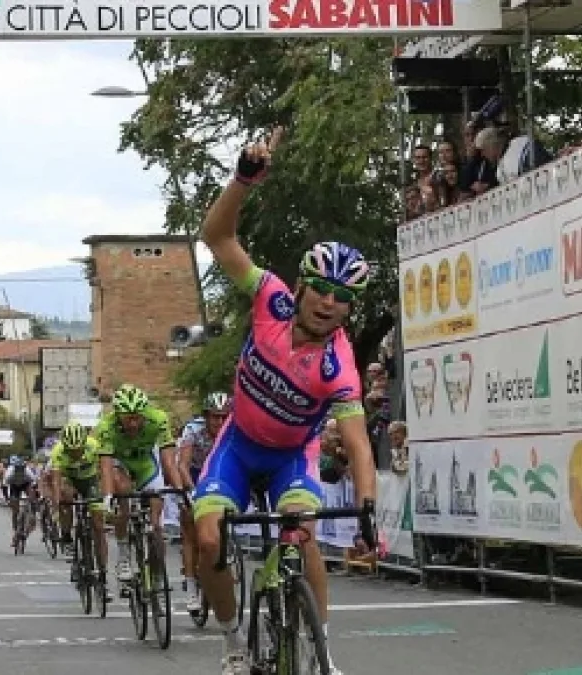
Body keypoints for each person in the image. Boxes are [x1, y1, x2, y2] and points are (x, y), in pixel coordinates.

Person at [193, 127, 378, 675]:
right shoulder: (270, 298)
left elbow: (358, 444)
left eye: (343, 297)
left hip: (292, 457)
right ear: (300, 286)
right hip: (238, 445)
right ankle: (233, 642)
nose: (328, 303)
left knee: (303, 533)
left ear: (350, 308)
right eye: (321, 288)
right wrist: (243, 180)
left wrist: (368, 511)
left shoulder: (339, 363)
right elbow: (216, 237)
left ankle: (321, 650)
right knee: (209, 540)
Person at [93, 383, 176, 592]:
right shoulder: (106, 426)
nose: (133, 423)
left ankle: (157, 574)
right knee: (122, 496)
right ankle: (123, 555)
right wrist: (108, 496)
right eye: (127, 418)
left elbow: (168, 461)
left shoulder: (158, 419)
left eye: (137, 417)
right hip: (120, 465)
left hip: (146, 465)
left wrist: (181, 490)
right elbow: (106, 466)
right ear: (117, 415)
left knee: (156, 525)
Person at [167, 391, 231, 614]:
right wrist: (192, 491)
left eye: (224, 417)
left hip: (217, 474)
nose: (219, 422)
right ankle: (192, 586)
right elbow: (182, 466)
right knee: (190, 531)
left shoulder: (232, 431)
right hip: (193, 474)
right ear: (206, 417)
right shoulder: (193, 430)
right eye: (214, 417)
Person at [46, 421, 109, 588]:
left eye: (78, 449)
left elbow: (104, 472)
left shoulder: (94, 446)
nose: (74, 453)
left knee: (98, 527)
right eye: (71, 450)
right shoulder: (58, 451)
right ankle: (67, 536)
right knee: (65, 495)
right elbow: (56, 482)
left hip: (90, 480)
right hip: (70, 479)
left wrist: (106, 498)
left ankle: (103, 573)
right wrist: (58, 506)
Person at [4, 456, 38, 547]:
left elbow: (34, 485)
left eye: (21, 469)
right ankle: (15, 532)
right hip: (14, 486)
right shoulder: (9, 473)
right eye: (18, 469)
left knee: (32, 497)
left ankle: (31, 514)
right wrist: (7, 499)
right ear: (14, 468)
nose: (20, 471)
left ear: (24, 468)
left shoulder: (28, 472)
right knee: (15, 510)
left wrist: (34, 500)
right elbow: (4, 487)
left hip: (26, 484)